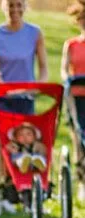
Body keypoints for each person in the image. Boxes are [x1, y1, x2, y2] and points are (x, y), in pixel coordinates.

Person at [0, 0, 48, 215]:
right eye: (10, 5)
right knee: (0, 148)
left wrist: (40, 86)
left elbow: (43, 66)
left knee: (26, 147)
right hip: (2, 99)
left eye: (19, 5)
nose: (14, 10)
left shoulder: (35, 33)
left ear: (25, 6)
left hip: (25, 98)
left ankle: (26, 194)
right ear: (4, 7)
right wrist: (1, 87)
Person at [61, 0, 85, 201]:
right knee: (79, 137)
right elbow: (64, 69)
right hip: (76, 97)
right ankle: (82, 181)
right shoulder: (71, 45)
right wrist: (67, 78)